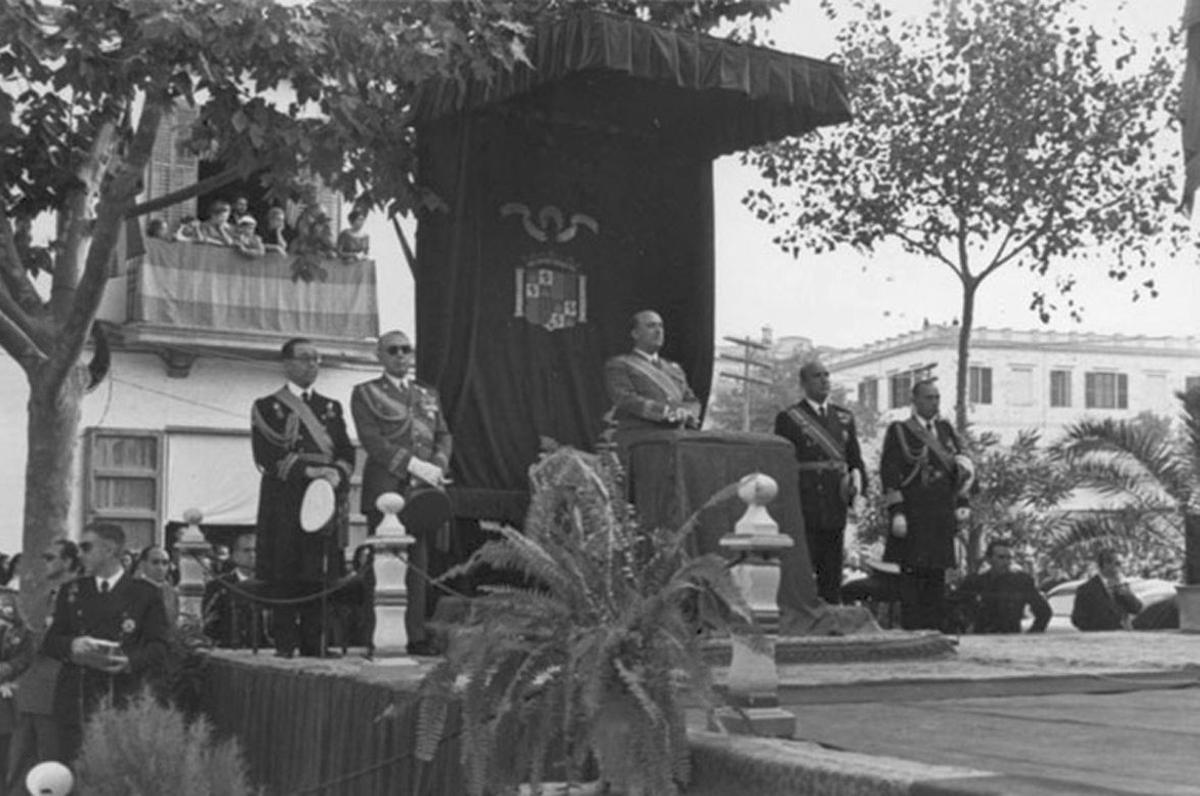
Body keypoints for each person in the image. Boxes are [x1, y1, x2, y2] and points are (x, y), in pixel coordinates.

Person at [351, 330, 452, 657]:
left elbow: (443, 435)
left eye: (406, 350)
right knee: (383, 564)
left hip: (421, 488)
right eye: (392, 350)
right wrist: (411, 465)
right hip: (386, 486)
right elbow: (372, 440)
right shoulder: (365, 393)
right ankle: (376, 635)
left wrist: (436, 465)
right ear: (380, 356)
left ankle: (415, 634)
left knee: (418, 563)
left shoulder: (427, 394)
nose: (400, 356)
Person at [252, 338, 355, 658]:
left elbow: (345, 451)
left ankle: (315, 641)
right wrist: (308, 472)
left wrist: (338, 472)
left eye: (317, 359)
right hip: (287, 496)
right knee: (286, 568)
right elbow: (266, 455)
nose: (312, 364)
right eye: (305, 358)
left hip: (324, 495)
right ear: (287, 364)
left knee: (318, 569)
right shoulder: (267, 406)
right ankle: (285, 642)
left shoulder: (331, 406)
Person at [42, 523, 169, 762]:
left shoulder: (144, 593)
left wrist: (129, 661)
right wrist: (72, 644)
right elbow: (50, 642)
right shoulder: (72, 590)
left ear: (109, 550)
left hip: (120, 694)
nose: (79, 554)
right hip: (76, 696)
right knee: (73, 768)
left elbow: (159, 646)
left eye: (86, 547)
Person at [880, 379, 974, 631]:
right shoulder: (900, 430)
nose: (934, 403)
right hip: (913, 515)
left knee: (936, 580)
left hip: (941, 516)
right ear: (915, 401)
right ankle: (913, 634)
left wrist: (963, 501)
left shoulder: (946, 430)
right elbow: (890, 473)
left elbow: (962, 468)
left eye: (937, 398)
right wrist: (897, 512)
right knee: (912, 582)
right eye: (929, 398)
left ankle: (935, 632)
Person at [774, 360, 867, 605]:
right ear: (804, 384)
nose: (825, 380)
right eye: (817, 376)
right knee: (807, 563)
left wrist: (858, 490)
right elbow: (782, 464)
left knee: (833, 566)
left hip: (835, 500)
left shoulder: (844, 417)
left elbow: (854, 460)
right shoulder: (789, 418)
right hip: (806, 501)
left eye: (827, 375)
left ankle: (832, 613)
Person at [7, 540, 79, 787]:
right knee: (17, 769)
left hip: (58, 691)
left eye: (50, 558)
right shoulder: (44, 595)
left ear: (68, 561)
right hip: (28, 691)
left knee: (52, 770)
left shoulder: (80, 596)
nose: (44, 563)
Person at [603, 310, 701, 443]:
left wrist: (688, 413)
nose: (658, 331)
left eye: (660, 326)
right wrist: (666, 412)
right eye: (651, 326)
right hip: (639, 440)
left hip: (676, 439)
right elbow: (625, 399)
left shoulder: (674, 369)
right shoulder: (619, 365)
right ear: (635, 333)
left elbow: (691, 400)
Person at [956, 540, 1051, 634]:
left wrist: (1030, 636)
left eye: (1009, 558)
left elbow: (1044, 612)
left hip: (1010, 639)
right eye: (1001, 557)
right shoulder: (975, 582)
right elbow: (955, 607)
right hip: (981, 638)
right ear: (989, 559)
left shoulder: (1021, 582)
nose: (1006, 562)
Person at [202, 532, 270, 649]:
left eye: (256, 551)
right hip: (227, 651)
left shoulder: (270, 586)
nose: (252, 555)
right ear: (234, 555)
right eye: (247, 551)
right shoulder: (219, 585)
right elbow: (209, 623)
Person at [1071, 548, 1143, 631]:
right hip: (1101, 638)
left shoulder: (1123, 585)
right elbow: (1077, 619)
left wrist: (1126, 594)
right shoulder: (1086, 589)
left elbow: (1137, 609)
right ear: (1106, 564)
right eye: (1118, 564)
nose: (1121, 567)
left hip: (1124, 637)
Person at [135, 546, 180, 633]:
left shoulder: (171, 592)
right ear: (143, 565)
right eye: (155, 562)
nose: (160, 568)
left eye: (165, 563)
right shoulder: (133, 590)